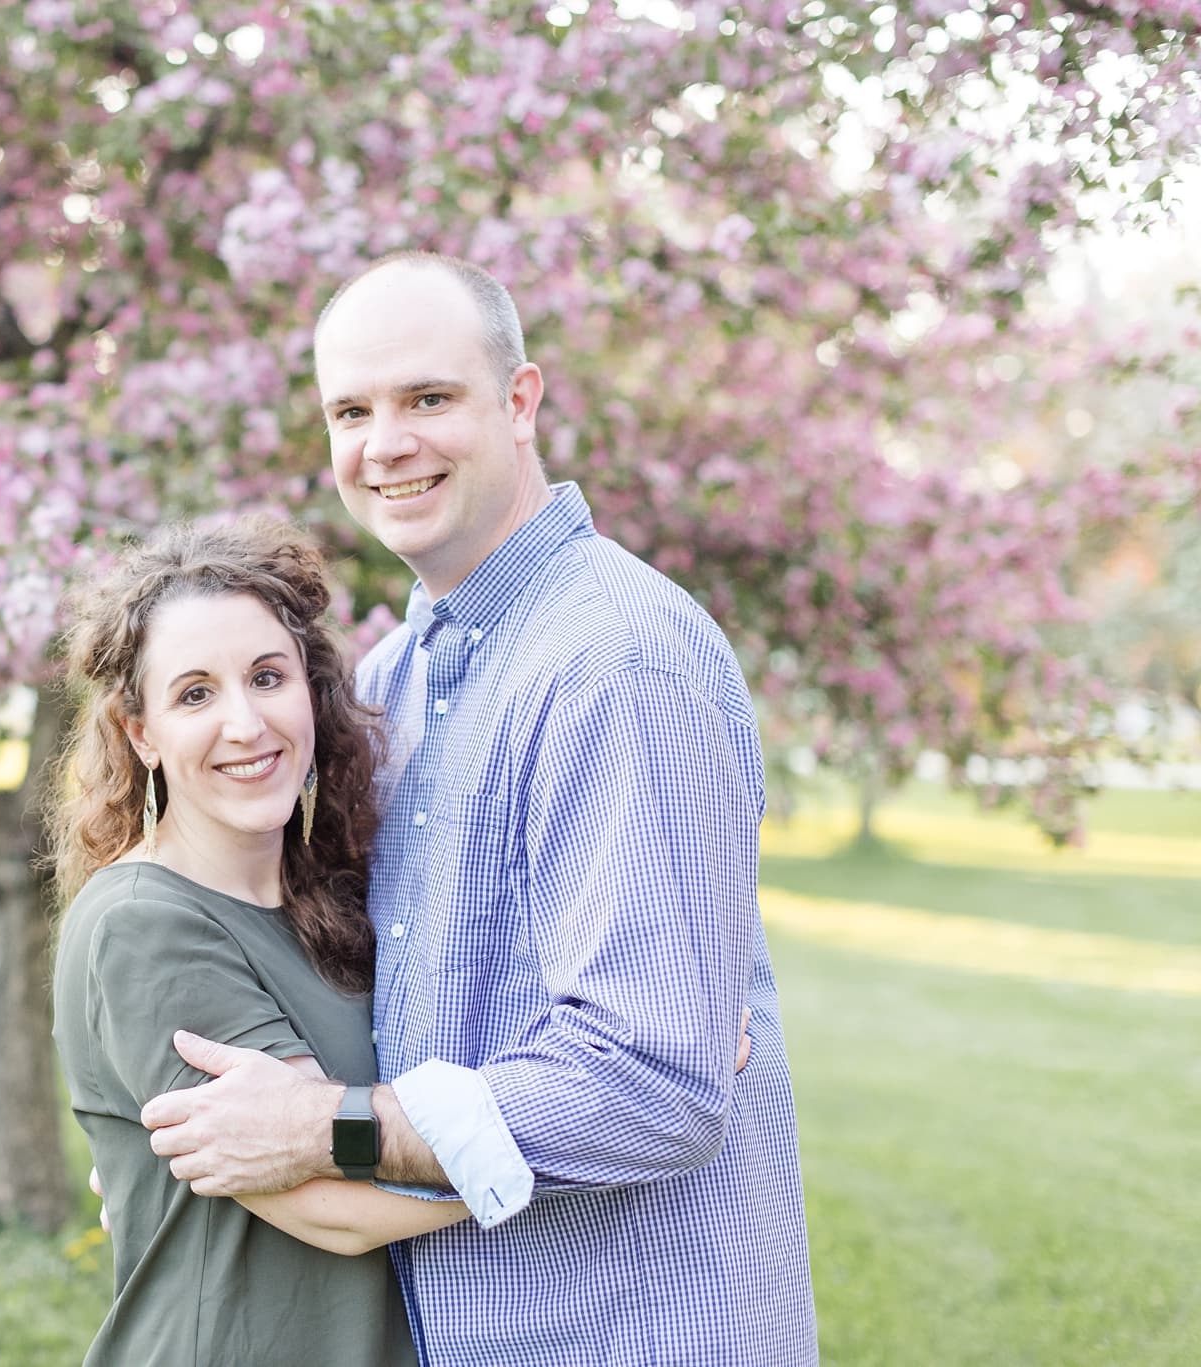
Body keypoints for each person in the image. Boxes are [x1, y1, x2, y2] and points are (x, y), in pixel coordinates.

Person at [137, 252, 819, 1366]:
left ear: (519, 400)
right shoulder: (393, 678)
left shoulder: (614, 663)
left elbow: (651, 1079)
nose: (384, 443)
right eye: (350, 410)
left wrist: (321, 1125)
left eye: (427, 399)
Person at [46, 520, 476, 1367]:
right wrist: (586, 1144)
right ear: (142, 732)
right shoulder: (142, 924)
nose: (245, 723)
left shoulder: (327, 894)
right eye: (195, 693)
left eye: (267, 677)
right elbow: (336, 1207)